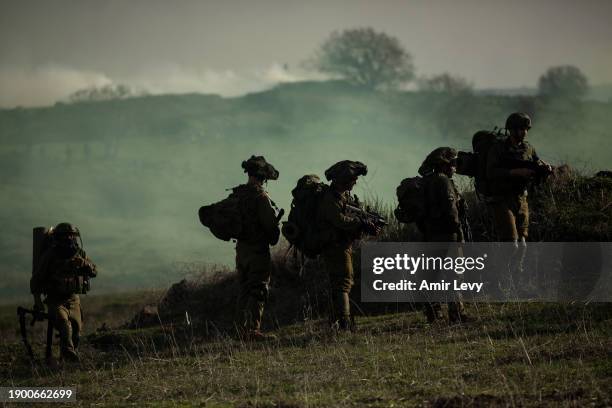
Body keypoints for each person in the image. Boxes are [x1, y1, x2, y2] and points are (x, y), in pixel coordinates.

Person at [486, 113, 552, 287]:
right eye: (520, 129)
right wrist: (515, 172)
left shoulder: (528, 148)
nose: (524, 132)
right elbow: (490, 172)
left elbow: (536, 163)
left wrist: (545, 168)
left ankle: (517, 280)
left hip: (521, 198)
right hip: (501, 199)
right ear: (512, 130)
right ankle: (500, 280)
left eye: (525, 129)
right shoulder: (498, 148)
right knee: (511, 244)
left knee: (522, 244)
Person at [317, 160, 380, 331]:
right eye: (352, 179)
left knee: (342, 283)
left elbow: (349, 217)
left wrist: (366, 223)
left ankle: (336, 322)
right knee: (343, 282)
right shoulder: (330, 198)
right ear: (343, 180)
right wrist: (360, 223)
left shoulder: (344, 197)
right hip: (335, 246)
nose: (355, 182)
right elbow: (339, 220)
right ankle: (343, 323)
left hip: (342, 244)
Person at [31, 223, 97, 362]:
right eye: (65, 236)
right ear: (58, 238)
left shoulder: (80, 254)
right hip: (55, 299)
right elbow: (36, 280)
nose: (69, 238)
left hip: (74, 299)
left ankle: (65, 361)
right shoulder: (50, 256)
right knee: (63, 323)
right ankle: (68, 353)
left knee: (77, 331)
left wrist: (85, 264)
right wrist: (38, 302)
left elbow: (94, 271)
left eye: (71, 236)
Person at [419, 148, 470, 324]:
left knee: (432, 275)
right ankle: (457, 315)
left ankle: (433, 313)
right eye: (453, 163)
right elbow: (451, 211)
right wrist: (459, 232)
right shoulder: (444, 181)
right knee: (455, 275)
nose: (455, 167)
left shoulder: (427, 181)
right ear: (444, 164)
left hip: (431, 234)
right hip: (448, 234)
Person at [234, 155, 281, 340]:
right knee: (259, 289)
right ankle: (252, 331)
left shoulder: (238, 194)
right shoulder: (260, 197)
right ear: (263, 178)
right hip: (257, 251)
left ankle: (239, 330)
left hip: (241, 250)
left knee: (244, 289)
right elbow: (270, 226)